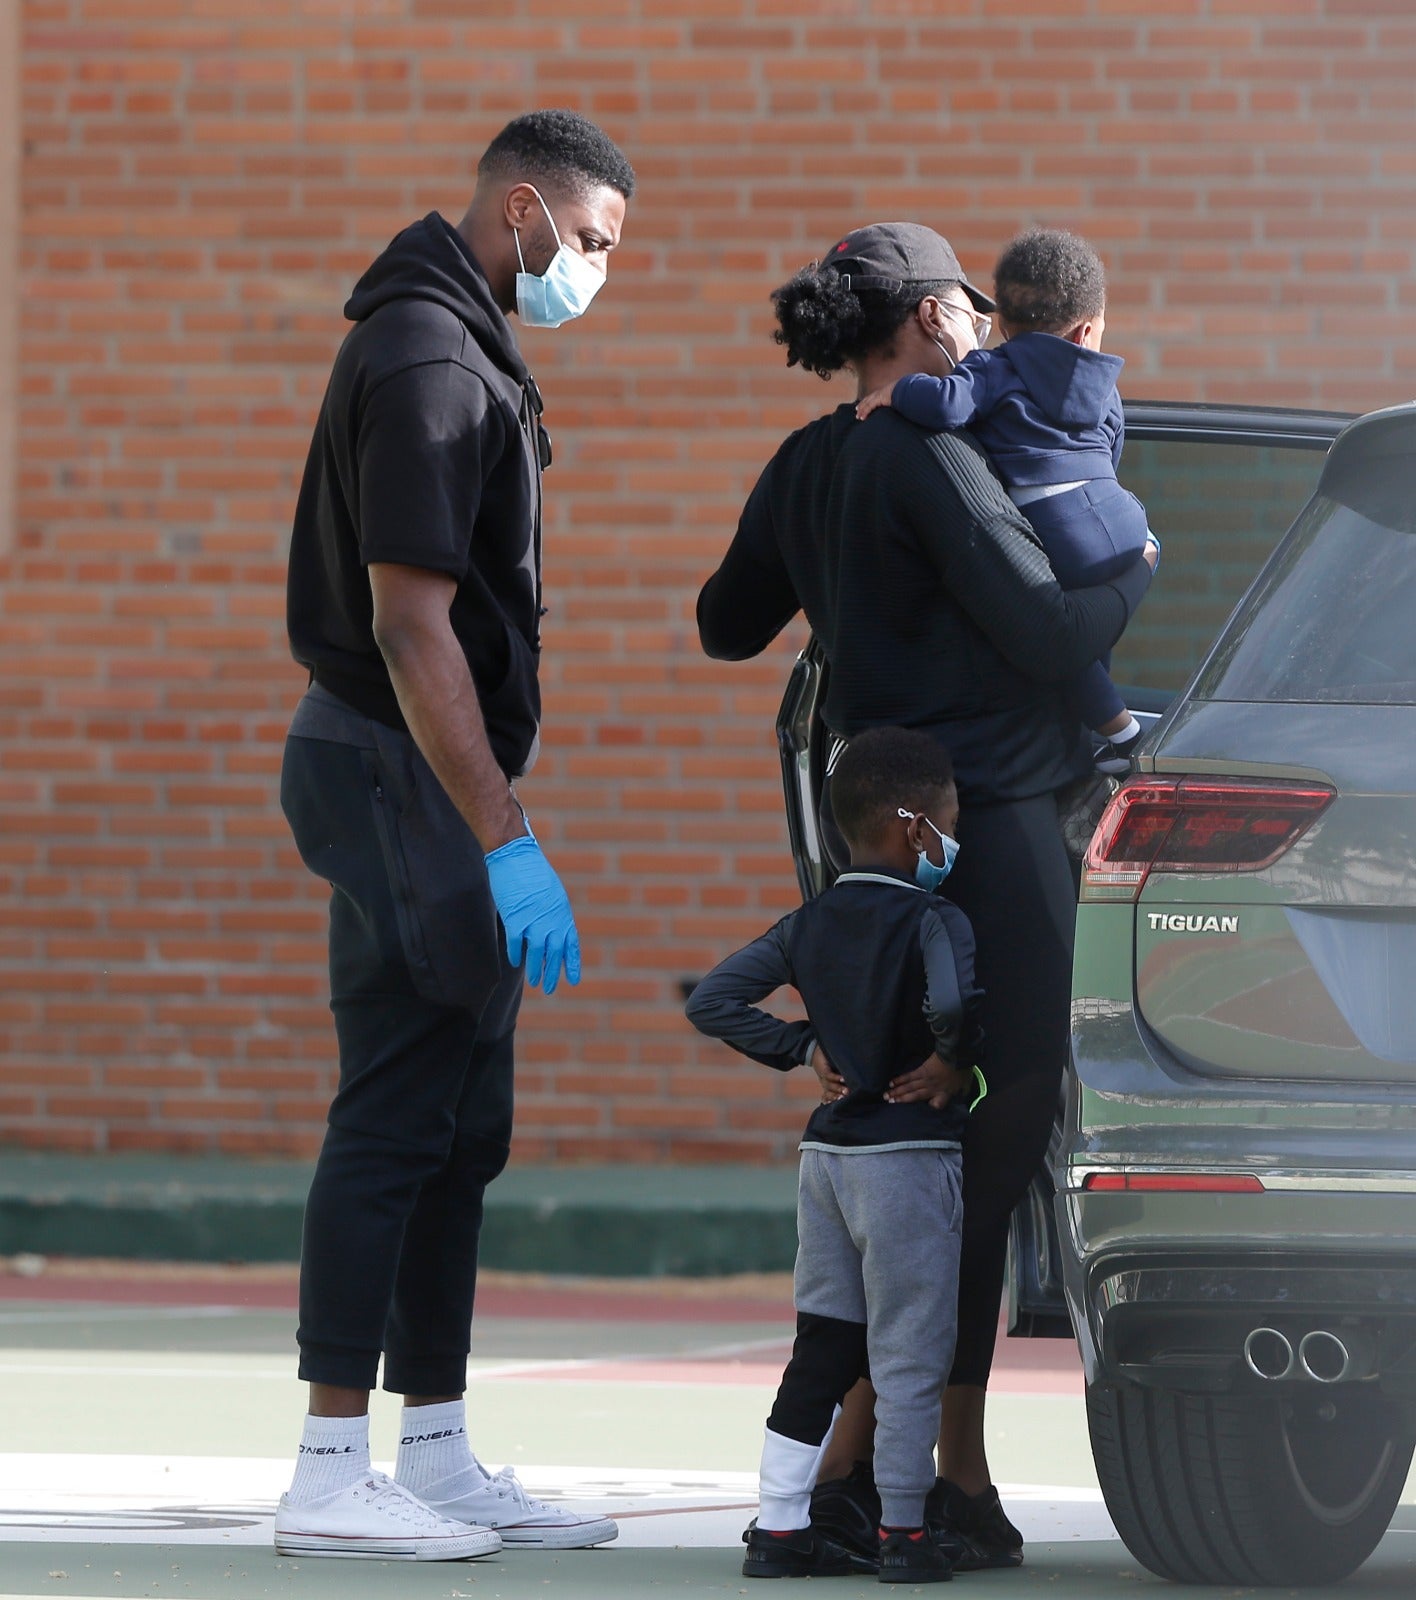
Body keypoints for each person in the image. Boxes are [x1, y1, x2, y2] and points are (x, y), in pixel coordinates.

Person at [696, 221, 1157, 1570]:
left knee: (898, 1161)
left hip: (868, 857)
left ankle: (876, 1472)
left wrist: (841, 587)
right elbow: (1052, 630)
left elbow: (727, 622)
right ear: (926, 318)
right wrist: (1133, 564)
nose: (980, 322)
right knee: (977, 1168)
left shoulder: (812, 460)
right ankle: (928, 1474)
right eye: (963, 304)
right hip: (994, 850)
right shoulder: (936, 456)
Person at [275, 109, 634, 1561]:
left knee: (460, 1126)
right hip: (391, 766)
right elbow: (410, 622)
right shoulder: (428, 356)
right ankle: (325, 1470)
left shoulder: (467, 338)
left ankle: (429, 1448)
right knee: (398, 1111)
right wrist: (503, 837)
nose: (595, 272)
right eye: (593, 244)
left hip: (420, 771)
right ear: (527, 213)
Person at [686, 728, 985, 1585]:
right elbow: (958, 1005)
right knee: (910, 1350)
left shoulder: (807, 923)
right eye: (950, 818)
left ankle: (779, 1527)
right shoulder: (936, 917)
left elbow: (715, 999)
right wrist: (955, 1060)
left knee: (822, 1346)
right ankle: (903, 1531)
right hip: (908, 1160)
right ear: (912, 827)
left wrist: (800, 1047)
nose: (954, 836)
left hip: (827, 1164)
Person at [856, 227, 1158, 773]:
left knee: (1066, 641)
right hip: (1122, 518)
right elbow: (1112, 447)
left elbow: (948, 405)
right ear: (1088, 331)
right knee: (1092, 627)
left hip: (1056, 523)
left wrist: (897, 392)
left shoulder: (994, 368)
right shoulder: (1106, 385)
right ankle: (1107, 728)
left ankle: (1121, 731)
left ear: (997, 324)